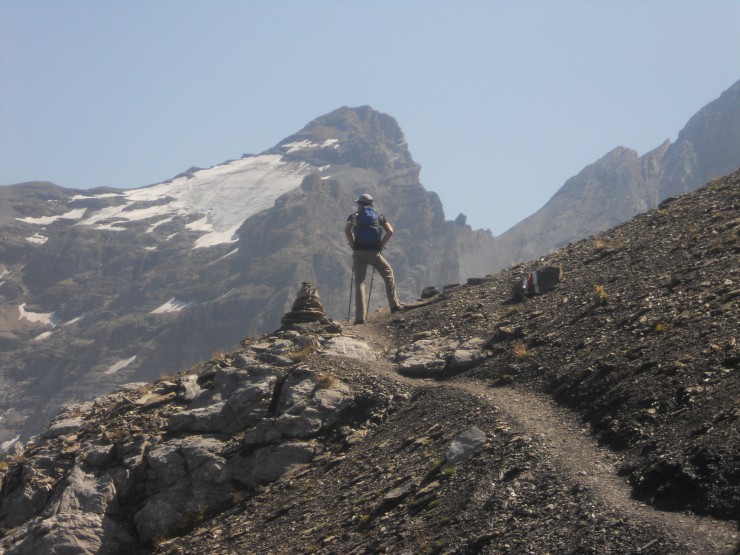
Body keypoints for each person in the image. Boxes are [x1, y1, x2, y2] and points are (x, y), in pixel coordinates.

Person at [345, 193, 402, 324]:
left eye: (358, 203)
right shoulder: (379, 216)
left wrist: (353, 245)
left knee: (360, 282)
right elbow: (390, 231)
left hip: (358, 253)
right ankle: (394, 306)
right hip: (374, 253)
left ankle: (360, 318)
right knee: (388, 273)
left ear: (360, 204)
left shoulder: (353, 216)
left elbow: (347, 230)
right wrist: (380, 246)